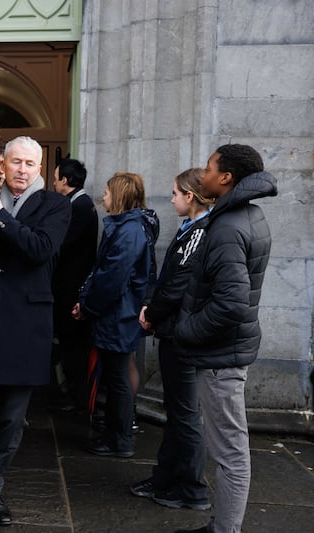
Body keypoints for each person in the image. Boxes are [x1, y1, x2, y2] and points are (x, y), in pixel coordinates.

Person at [0, 136, 71, 533]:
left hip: (27, 325)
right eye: (15, 162)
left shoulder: (55, 205)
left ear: (40, 168)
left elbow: (39, 250)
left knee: (12, 421)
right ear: (2, 163)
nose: (22, 170)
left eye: (30, 164)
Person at [173, 145, 277, 533]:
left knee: (230, 454)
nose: (203, 174)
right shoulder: (242, 215)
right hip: (224, 352)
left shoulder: (231, 226)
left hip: (220, 357)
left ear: (227, 178)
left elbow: (231, 304)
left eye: (210, 167)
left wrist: (186, 330)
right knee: (227, 450)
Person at [130, 168, 212, 511]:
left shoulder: (199, 232)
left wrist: (152, 313)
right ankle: (165, 477)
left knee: (185, 414)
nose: (173, 198)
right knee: (177, 412)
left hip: (182, 332)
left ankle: (192, 489)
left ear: (190, 197)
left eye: (176, 193)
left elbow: (177, 284)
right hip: (175, 329)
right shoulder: (190, 229)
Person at [73, 172, 158, 459]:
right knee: (116, 376)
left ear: (119, 196)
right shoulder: (127, 228)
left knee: (118, 378)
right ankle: (115, 435)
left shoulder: (129, 231)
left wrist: (88, 307)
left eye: (107, 192)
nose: (103, 197)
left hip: (118, 315)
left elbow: (112, 277)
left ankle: (119, 439)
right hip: (117, 314)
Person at [51, 157, 98, 411]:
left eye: (56, 177)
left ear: (65, 181)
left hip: (71, 289)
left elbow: (64, 245)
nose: (53, 182)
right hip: (68, 287)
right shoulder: (76, 203)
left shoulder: (80, 206)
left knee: (72, 346)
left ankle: (75, 398)